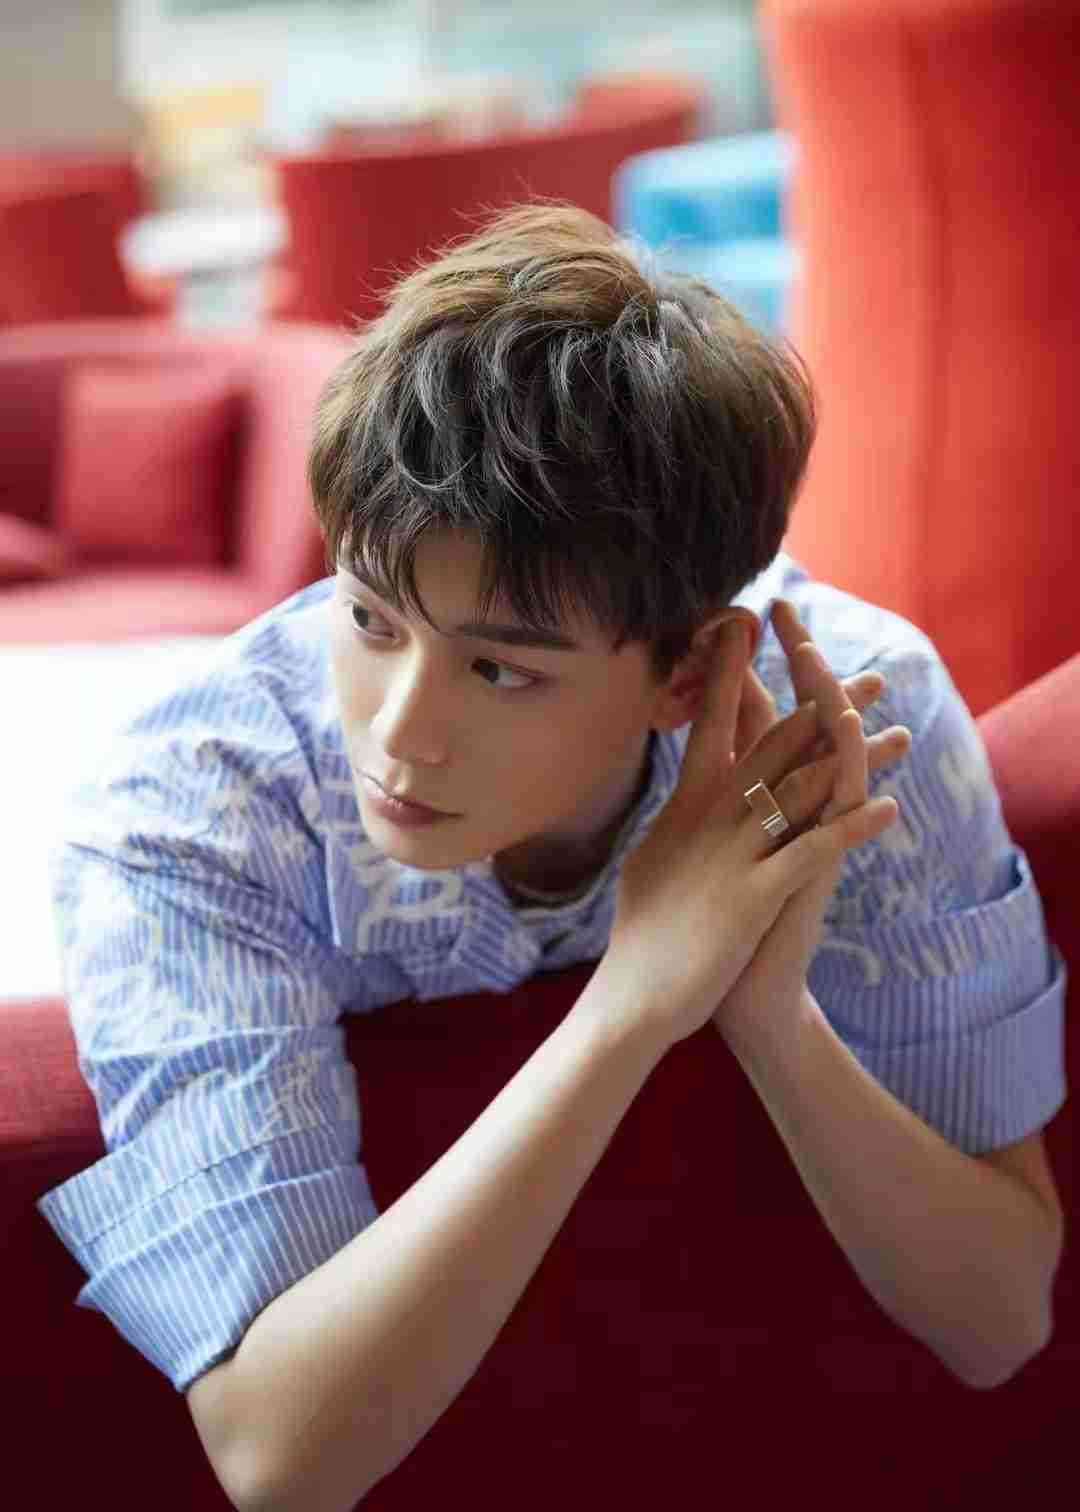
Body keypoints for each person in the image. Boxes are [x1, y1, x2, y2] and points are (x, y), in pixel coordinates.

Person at [37, 202, 1065, 1512]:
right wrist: (633, 999)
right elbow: (274, 1458)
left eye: (500, 670)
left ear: (686, 673)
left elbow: (1000, 1320)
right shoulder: (192, 815)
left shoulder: (850, 726)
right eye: (371, 616)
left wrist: (769, 1014)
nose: (399, 734)